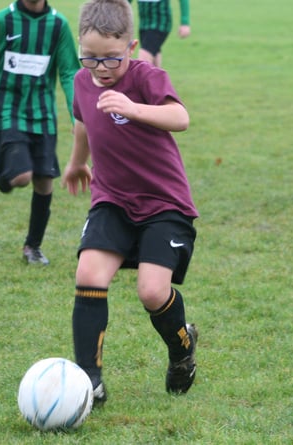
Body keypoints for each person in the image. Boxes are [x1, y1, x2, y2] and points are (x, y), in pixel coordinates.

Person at [63, 0, 199, 405]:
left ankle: (182, 350)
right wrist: (75, 164)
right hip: (112, 198)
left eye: (111, 59)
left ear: (131, 45)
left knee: (152, 292)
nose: (101, 68)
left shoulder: (146, 77)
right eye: (90, 58)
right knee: (89, 272)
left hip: (164, 203)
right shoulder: (81, 81)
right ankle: (91, 382)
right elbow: (83, 123)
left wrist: (133, 108)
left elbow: (181, 118)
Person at [0, 0, 79, 265]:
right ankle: (6, 175)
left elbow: (69, 72)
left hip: (43, 115)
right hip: (8, 112)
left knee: (45, 182)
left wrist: (77, 114)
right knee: (22, 177)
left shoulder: (59, 25)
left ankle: (32, 247)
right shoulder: (3, 21)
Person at [129, 0, 190, 68]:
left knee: (143, 61)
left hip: (160, 23)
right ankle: (160, 78)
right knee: (154, 63)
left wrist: (185, 21)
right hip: (143, 25)